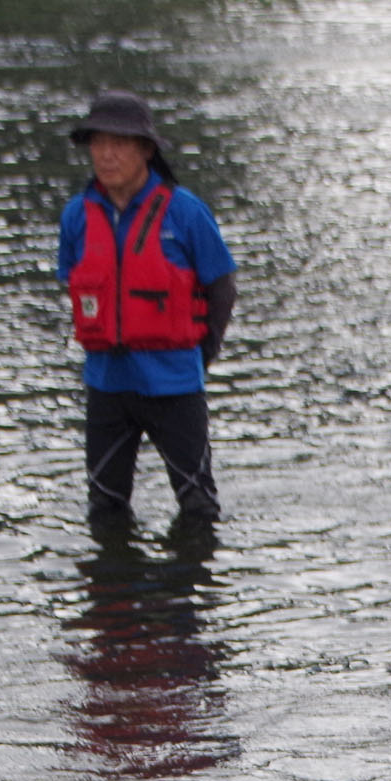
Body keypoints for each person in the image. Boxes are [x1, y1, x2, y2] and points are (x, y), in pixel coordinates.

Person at [56, 89, 238, 530]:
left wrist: (203, 353)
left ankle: (188, 593)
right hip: (106, 383)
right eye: (98, 143)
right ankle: (111, 594)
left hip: (173, 381)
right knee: (104, 508)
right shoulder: (77, 215)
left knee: (198, 507)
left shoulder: (185, 212)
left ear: (145, 150)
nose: (106, 154)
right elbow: (72, 282)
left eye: (118, 144)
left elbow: (222, 286)